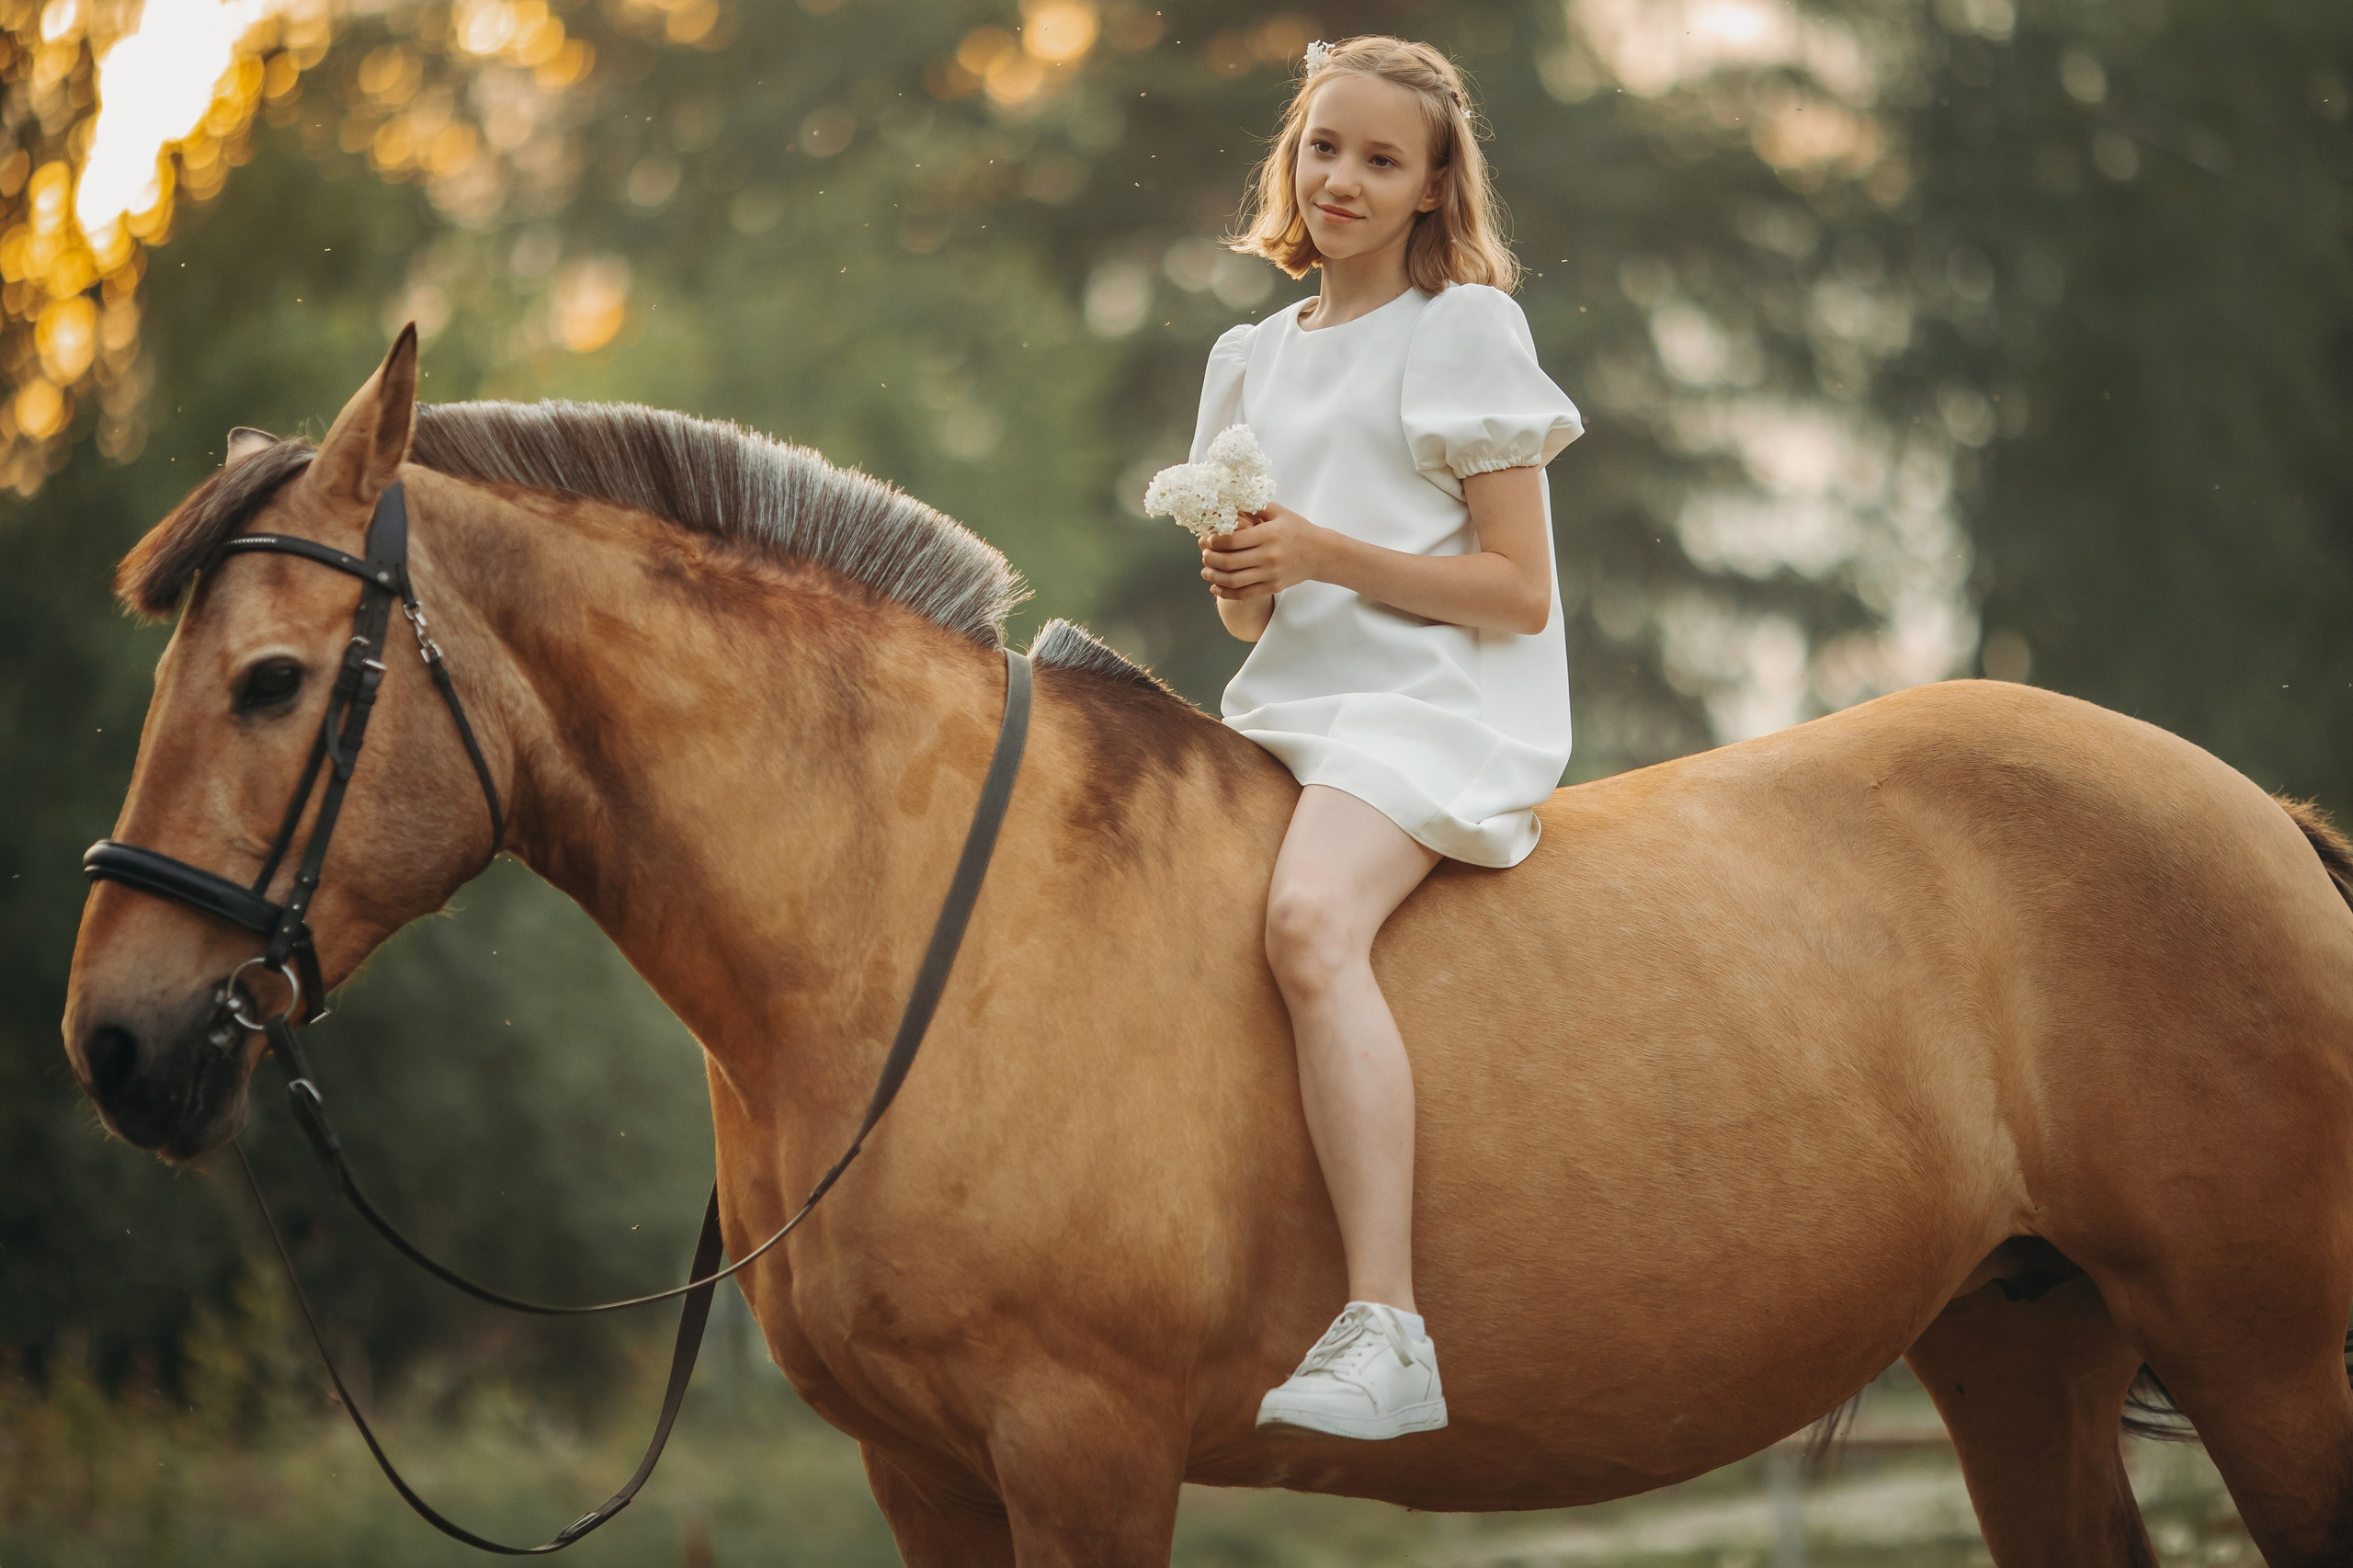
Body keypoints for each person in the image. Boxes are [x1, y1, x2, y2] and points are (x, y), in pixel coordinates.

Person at [1193, 35, 1584, 1440]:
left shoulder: (1463, 329)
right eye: (1322, 147)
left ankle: (1388, 1324)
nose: (1341, 178)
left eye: (1379, 159)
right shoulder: (1245, 357)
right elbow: (1256, 624)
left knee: (1306, 921)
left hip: (1435, 701)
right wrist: (1250, 581)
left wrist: (1321, 552)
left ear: (1432, 187)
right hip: (1285, 711)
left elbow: (1515, 587)